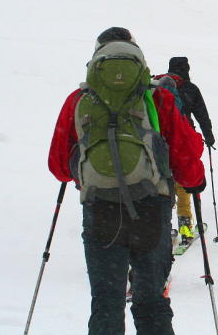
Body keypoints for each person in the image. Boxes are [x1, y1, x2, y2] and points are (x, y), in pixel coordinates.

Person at [48, 27, 206, 335]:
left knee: (106, 304)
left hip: (101, 212)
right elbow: (186, 158)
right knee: (150, 303)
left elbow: (59, 168)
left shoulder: (78, 100)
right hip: (151, 211)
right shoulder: (157, 97)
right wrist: (195, 183)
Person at [167, 57, 214, 244]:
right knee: (184, 182)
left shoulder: (159, 87)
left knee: (165, 182)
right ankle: (185, 225)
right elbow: (202, 114)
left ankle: (163, 224)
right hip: (184, 140)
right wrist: (209, 136)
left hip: (161, 141)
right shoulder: (190, 88)